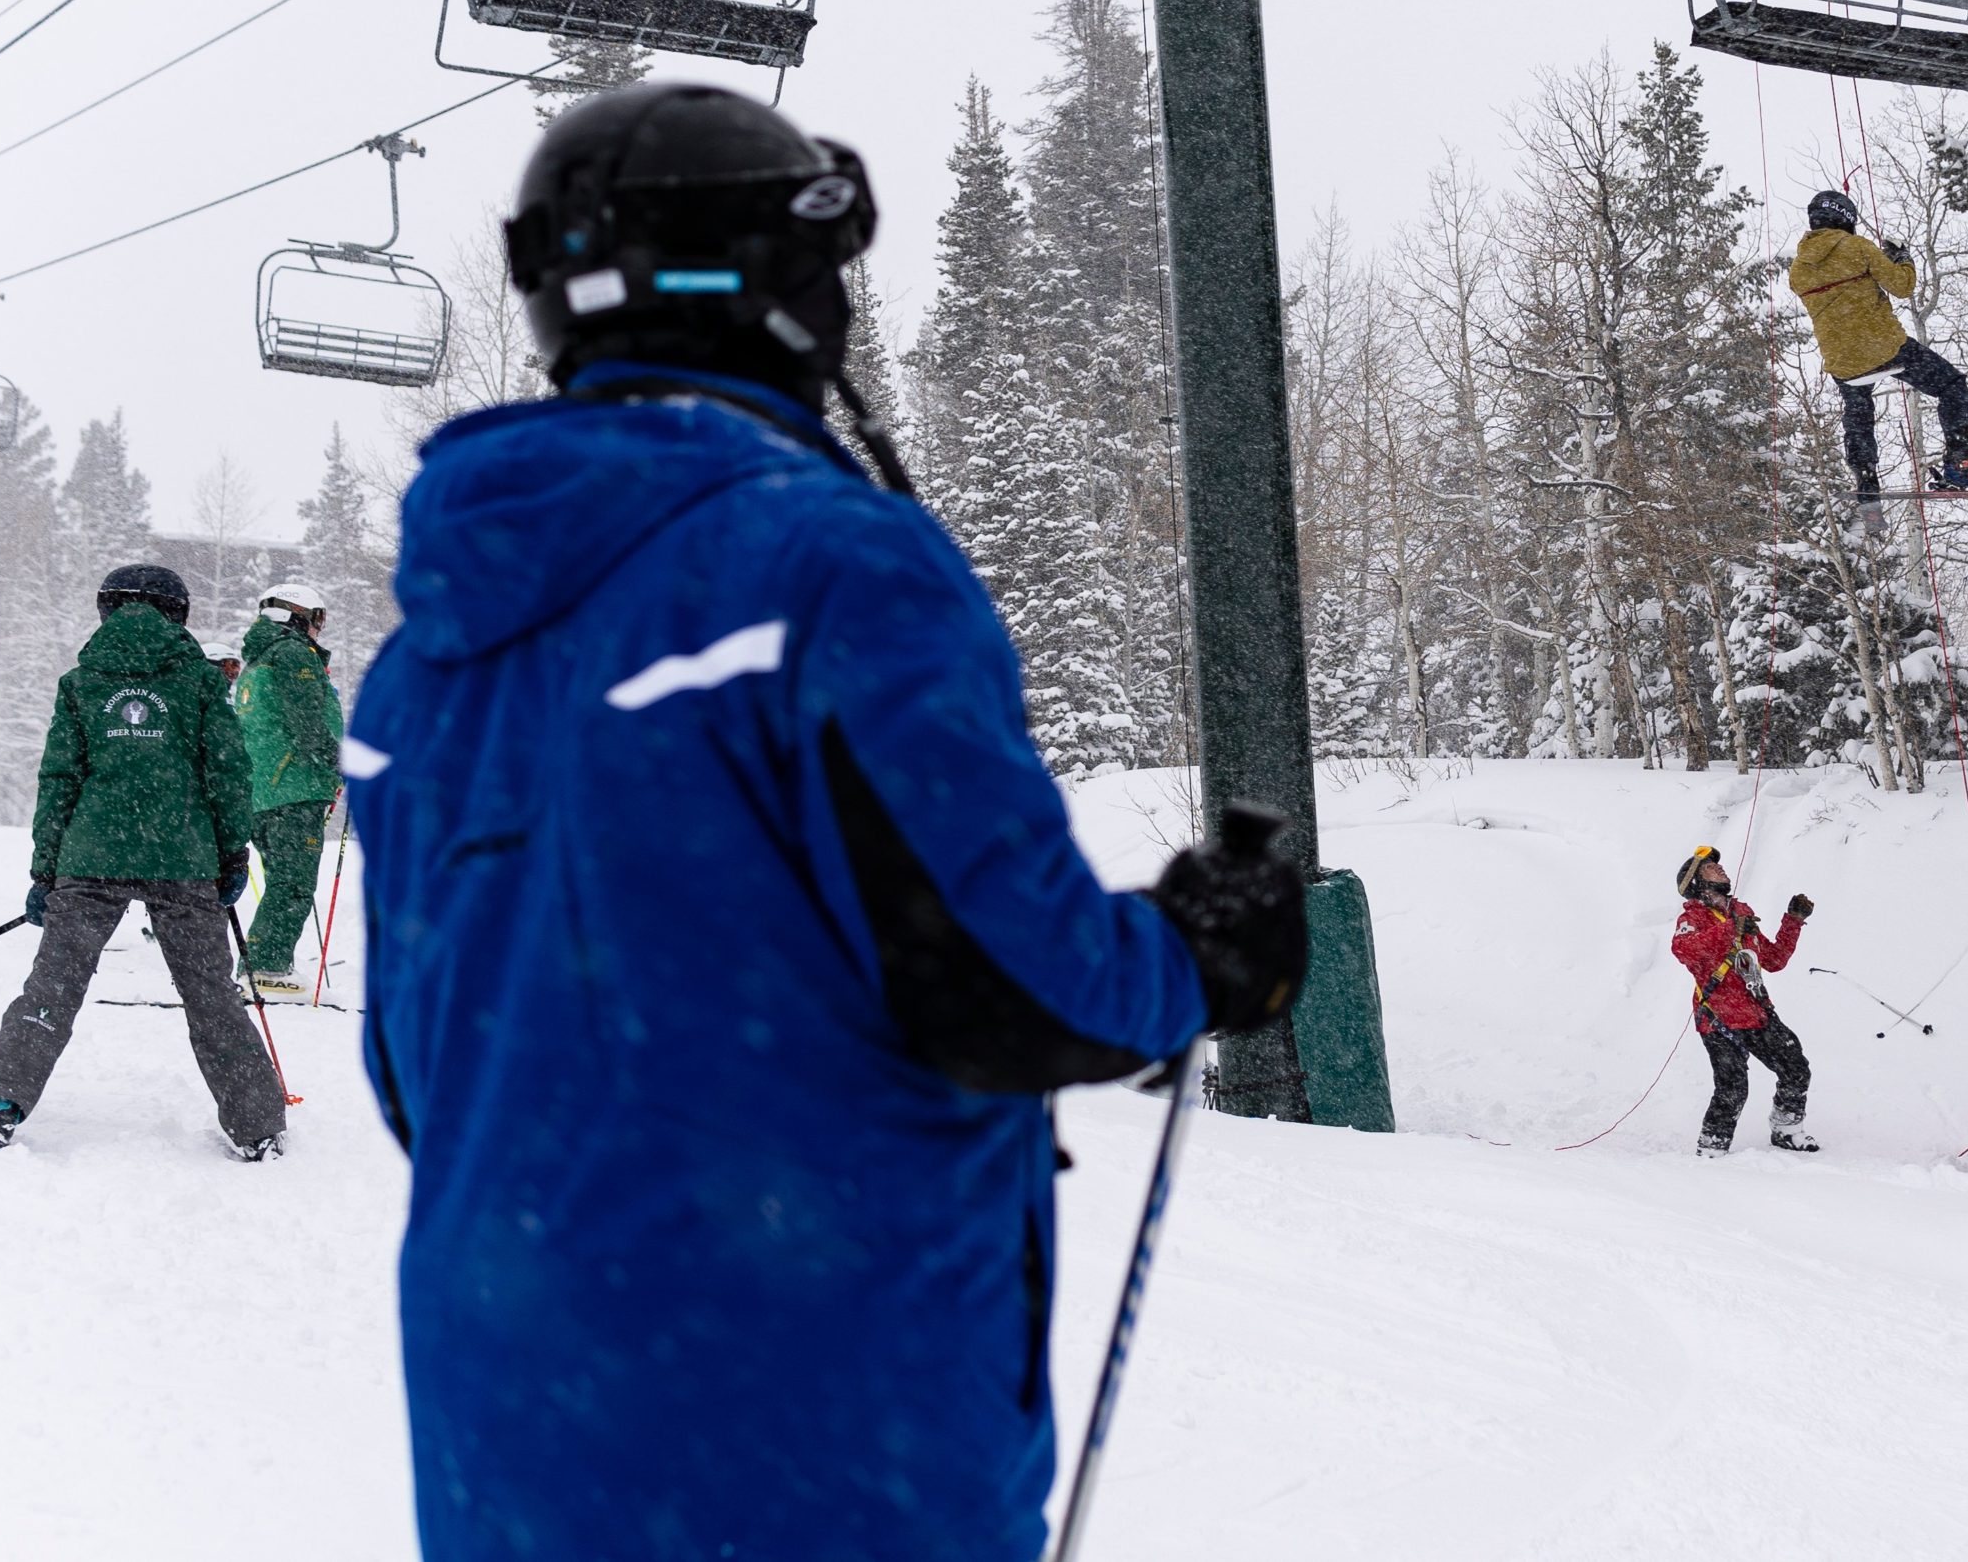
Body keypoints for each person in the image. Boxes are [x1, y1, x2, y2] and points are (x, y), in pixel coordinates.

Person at [344, 83, 1309, 1562]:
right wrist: (1196, 957)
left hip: (513, 1428)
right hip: (808, 1431)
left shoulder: (421, 665)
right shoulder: (826, 567)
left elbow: (424, 1072)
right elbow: (1007, 986)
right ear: (785, 299)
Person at [0, 565, 286, 1160]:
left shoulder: (82, 683)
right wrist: (231, 854)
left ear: (107, 610)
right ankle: (256, 1126)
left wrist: (47, 871)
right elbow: (227, 773)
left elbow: (58, 781)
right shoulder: (200, 683)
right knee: (210, 995)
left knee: (53, 985)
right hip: (183, 858)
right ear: (179, 613)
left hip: (91, 855)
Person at [1787, 188, 1968, 503]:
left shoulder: (1798, 270)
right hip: (1885, 347)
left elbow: (1839, 292)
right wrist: (1901, 257)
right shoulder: (1857, 247)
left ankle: (1866, 476)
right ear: (1846, 218)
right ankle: (1960, 462)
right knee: (1951, 386)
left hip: (1842, 361)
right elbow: (1902, 286)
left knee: (1858, 411)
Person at [1670, 846, 1818, 1155]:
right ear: (1697, 881)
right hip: (1718, 1018)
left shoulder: (1741, 914)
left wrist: (1793, 921)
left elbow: (1774, 960)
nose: (1720, 870)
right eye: (1710, 868)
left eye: (1717, 866)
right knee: (1733, 1088)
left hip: (1756, 1012)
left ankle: (1786, 1131)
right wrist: (1728, 931)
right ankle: (1712, 1148)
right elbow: (1685, 950)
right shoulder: (1692, 917)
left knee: (1796, 1069)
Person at [234, 583, 342, 997]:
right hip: (292, 789)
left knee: (283, 879)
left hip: (264, 791)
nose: (320, 629)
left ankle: (261, 962)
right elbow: (308, 723)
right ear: (298, 614)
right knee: (293, 882)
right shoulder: (293, 654)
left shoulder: (258, 660)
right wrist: (339, 761)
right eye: (318, 618)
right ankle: (266, 968)